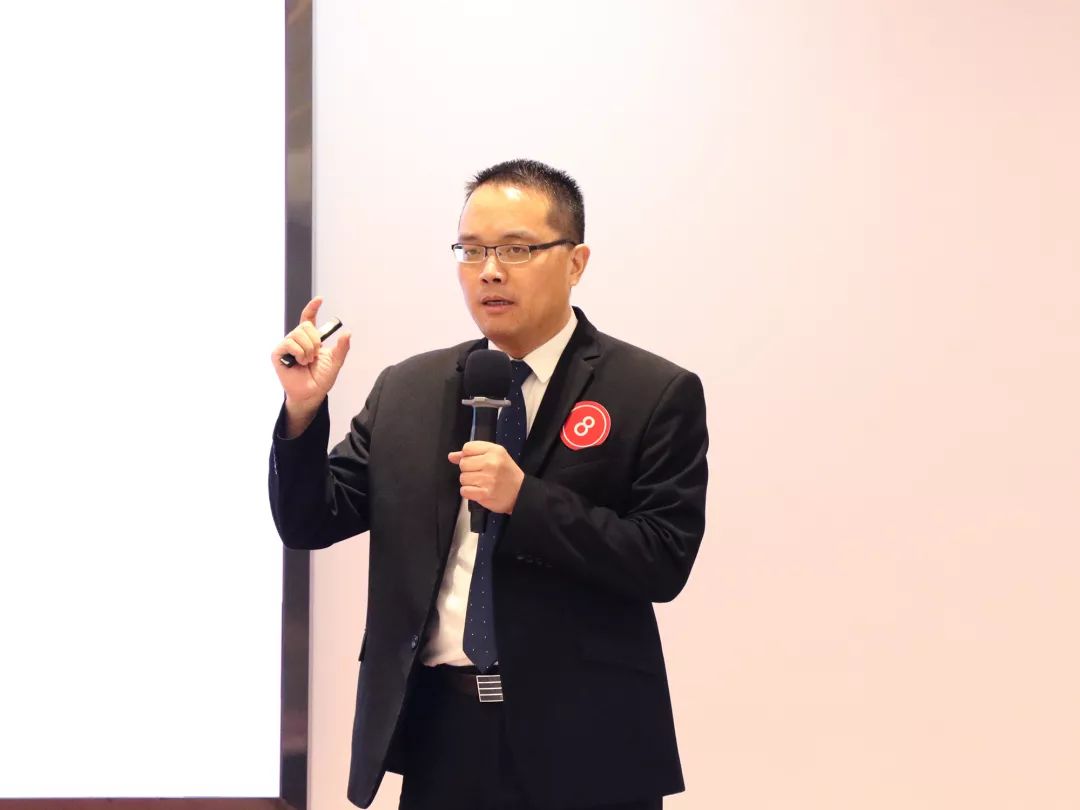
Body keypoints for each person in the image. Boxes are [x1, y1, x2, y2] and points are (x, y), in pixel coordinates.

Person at [268, 159, 708, 810]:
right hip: (439, 733)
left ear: (576, 262)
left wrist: (525, 500)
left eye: (516, 249)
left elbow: (662, 559)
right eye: (471, 251)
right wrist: (303, 412)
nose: (490, 271)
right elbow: (310, 520)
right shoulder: (409, 388)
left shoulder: (653, 392)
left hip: (588, 744)